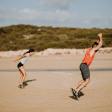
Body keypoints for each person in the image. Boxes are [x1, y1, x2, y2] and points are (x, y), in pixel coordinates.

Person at [71, 33, 103, 100]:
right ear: (95, 46)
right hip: (85, 65)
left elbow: (97, 44)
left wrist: (97, 41)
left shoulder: (90, 49)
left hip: (82, 65)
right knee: (87, 80)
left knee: (84, 80)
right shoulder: (93, 50)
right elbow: (100, 45)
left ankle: (75, 89)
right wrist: (100, 37)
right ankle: (77, 91)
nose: (98, 49)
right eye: (97, 48)